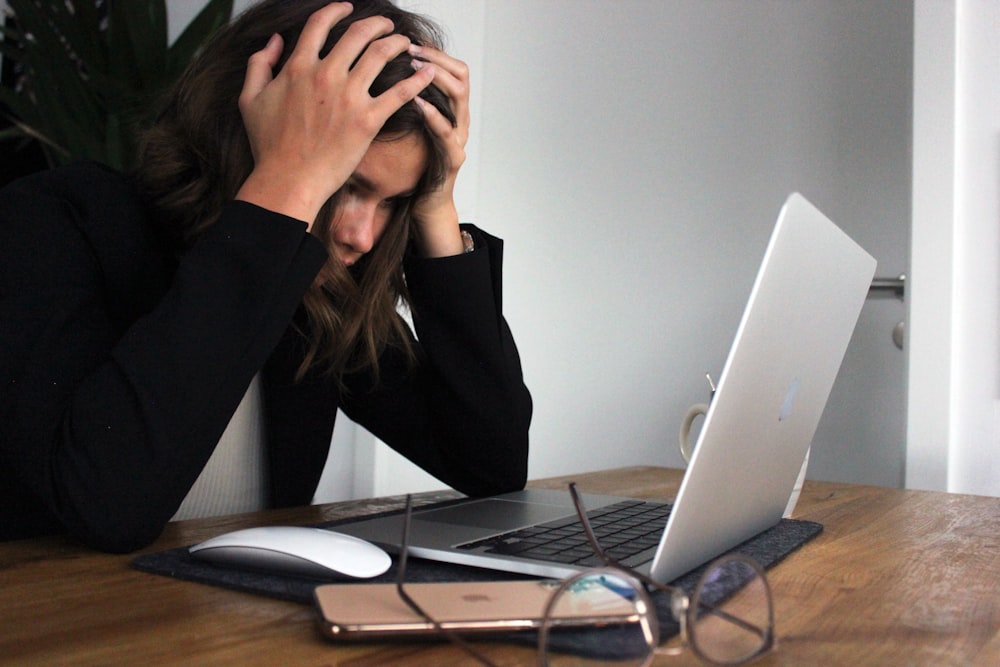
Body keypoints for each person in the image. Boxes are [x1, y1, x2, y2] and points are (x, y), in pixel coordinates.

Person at [0, 0, 531, 553]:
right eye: (346, 183)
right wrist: (287, 184)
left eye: (391, 203)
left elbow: (491, 464)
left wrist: (435, 205)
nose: (361, 237)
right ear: (246, 129)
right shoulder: (51, 223)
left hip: (241, 633)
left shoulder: (315, 293)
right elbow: (106, 506)